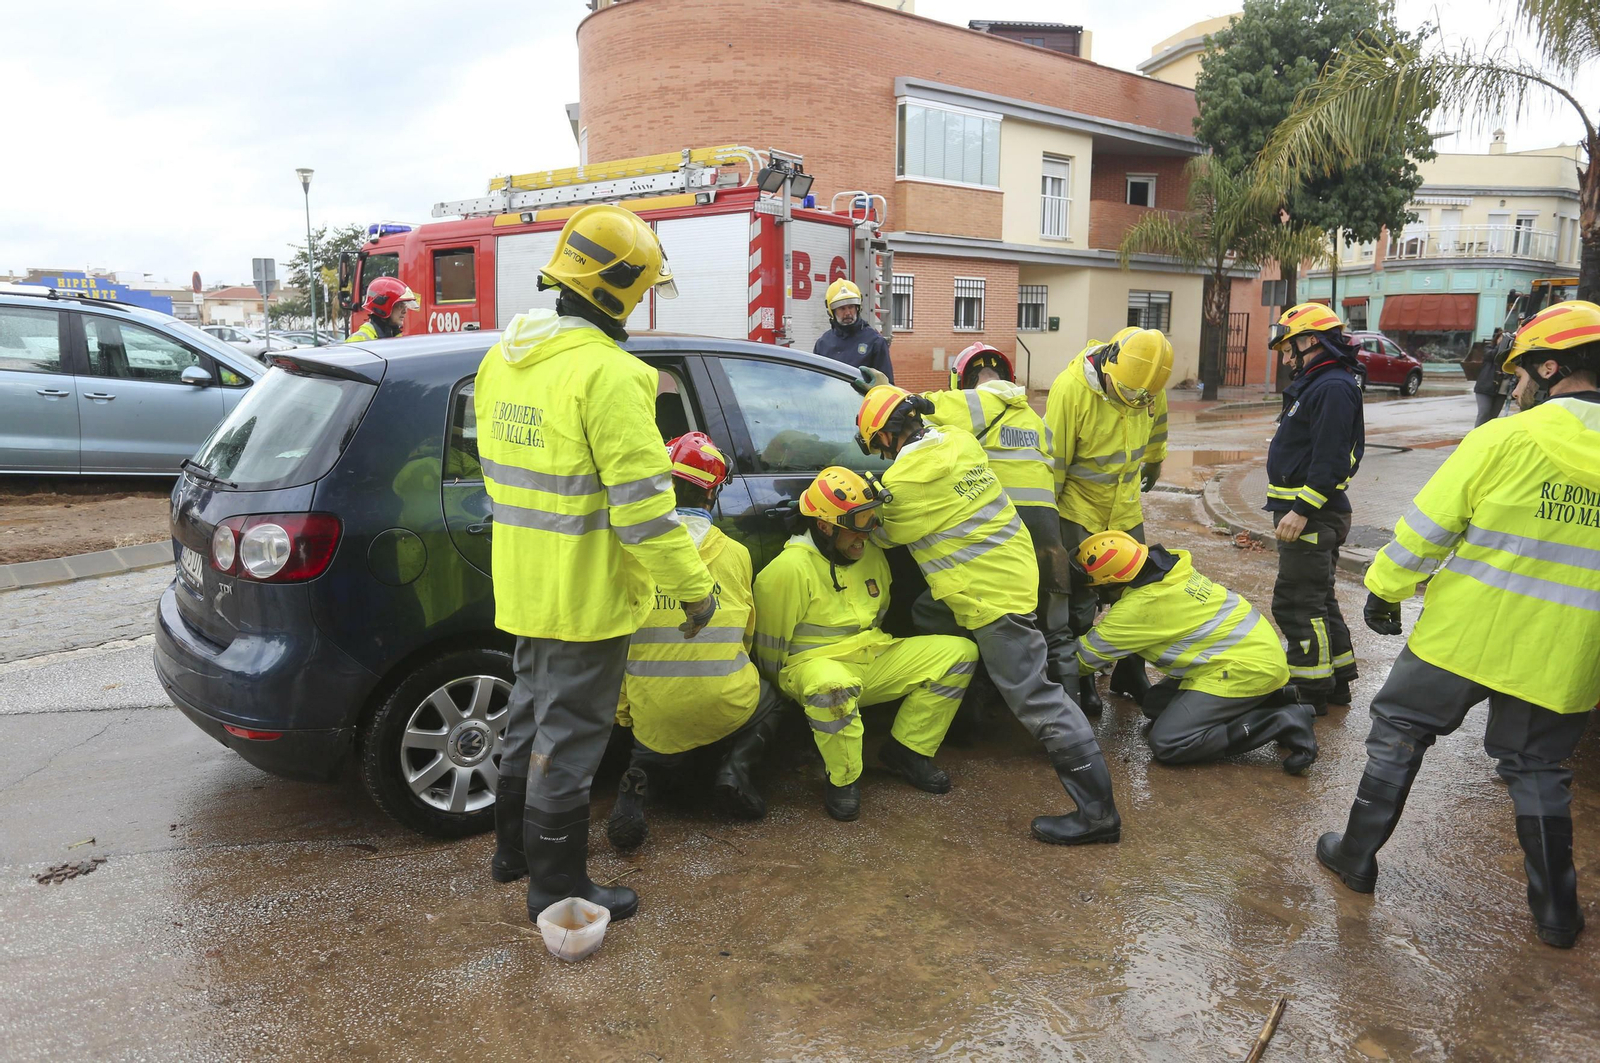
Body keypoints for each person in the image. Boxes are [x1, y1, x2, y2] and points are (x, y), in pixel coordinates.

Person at [1318, 300, 1600, 949]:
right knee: (1537, 766)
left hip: (1465, 634)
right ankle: (1557, 913)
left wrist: (1385, 589)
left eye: (1520, 374)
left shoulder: (1504, 438)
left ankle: (1356, 856)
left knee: (1399, 729)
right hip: (1564, 653)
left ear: (1551, 368)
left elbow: (1428, 530)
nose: (1515, 388)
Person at [477, 203, 717, 923]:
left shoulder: (503, 358)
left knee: (528, 716)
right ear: (619, 289)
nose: (641, 305)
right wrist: (693, 589)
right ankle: (557, 885)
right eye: (640, 291)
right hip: (585, 594)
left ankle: (513, 852)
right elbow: (645, 510)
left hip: (526, 582)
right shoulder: (610, 375)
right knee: (572, 738)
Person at [855, 385, 1122, 846]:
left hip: (990, 596)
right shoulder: (960, 441)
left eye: (877, 445)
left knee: (1037, 698)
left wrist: (873, 499)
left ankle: (1099, 814)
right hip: (1012, 569)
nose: (881, 455)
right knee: (930, 614)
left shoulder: (907, 481)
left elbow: (882, 534)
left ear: (884, 437)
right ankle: (929, 732)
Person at [752, 467, 977, 821]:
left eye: (871, 519)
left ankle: (908, 750)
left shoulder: (868, 553)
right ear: (825, 526)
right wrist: (783, 697)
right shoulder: (788, 570)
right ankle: (843, 780)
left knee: (960, 653)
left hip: (871, 656)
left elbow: (879, 613)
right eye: (857, 525)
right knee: (833, 686)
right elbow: (769, 648)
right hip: (815, 669)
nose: (867, 533)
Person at [605, 432, 785, 851]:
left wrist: (624, 711)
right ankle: (735, 770)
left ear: (664, 485)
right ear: (712, 494)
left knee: (650, 740)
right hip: (726, 703)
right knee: (773, 698)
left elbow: (616, 643)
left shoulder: (630, 552)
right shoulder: (737, 554)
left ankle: (640, 778)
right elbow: (746, 634)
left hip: (654, 712)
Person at [1069, 531, 1318, 773]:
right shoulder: (1171, 570)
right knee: (1156, 706)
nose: (1094, 592)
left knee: (1169, 742)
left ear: (1112, 582)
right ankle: (1274, 698)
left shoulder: (1140, 607)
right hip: (1250, 653)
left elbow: (1080, 659)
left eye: (1096, 587)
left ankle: (1282, 721)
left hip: (1246, 670)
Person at [884, 343, 1072, 644]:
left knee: (977, 610)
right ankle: (1064, 674)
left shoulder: (971, 402)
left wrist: (882, 386)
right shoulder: (1034, 418)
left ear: (962, 380)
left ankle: (971, 665)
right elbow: (1054, 469)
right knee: (1053, 628)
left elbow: (908, 413)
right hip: (1047, 527)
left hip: (1002, 521)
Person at [1044, 326, 1173, 714]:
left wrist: (1155, 461)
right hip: (1078, 508)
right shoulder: (1070, 390)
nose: (1138, 401)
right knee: (1080, 597)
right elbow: (1053, 461)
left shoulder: (1146, 381)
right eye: (1131, 393)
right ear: (1110, 367)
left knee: (1139, 590)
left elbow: (1158, 426)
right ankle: (1083, 679)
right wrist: (1049, 523)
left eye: (1145, 397)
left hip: (1125, 506)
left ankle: (1131, 672)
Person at [1264, 303, 1365, 714]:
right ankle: (1336, 680)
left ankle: (1309, 691)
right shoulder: (1322, 383)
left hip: (1311, 515)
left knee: (1297, 602)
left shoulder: (1331, 387)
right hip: (1312, 512)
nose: (1287, 358)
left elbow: (1331, 459)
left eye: (1290, 348)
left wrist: (1301, 509)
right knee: (1319, 598)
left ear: (1310, 341)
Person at [814, 279, 895, 381]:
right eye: (842, 308)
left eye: (851, 307)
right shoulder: (822, 344)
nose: (848, 313)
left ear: (858, 307)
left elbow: (887, 385)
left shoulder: (875, 342)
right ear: (832, 311)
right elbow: (815, 381)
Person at [347, 277, 417, 342]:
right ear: (384, 307)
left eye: (405, 306)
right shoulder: (359, 340)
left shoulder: (395, 337)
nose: (405, 311)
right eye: (400, 306)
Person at [1473, 327, 1511, 427]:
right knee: (1484, 413)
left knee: (1493, 417)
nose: (1503, 341)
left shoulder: (1511, 353)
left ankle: (1488, 435)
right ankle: (1477, 434)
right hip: (1485, 388)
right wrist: (1502, 345)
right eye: (1501, 338)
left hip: (1501, 390)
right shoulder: (1489, 349)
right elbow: (1493, 356)